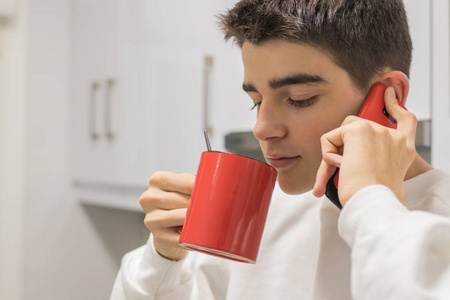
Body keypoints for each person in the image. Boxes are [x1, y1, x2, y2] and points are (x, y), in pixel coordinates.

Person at [110, 1, 450, 299]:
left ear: (390, 95)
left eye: (300, 99)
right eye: (255, 102)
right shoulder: (259, 213)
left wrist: (368, 198)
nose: (261, 128)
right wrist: (163, 258)